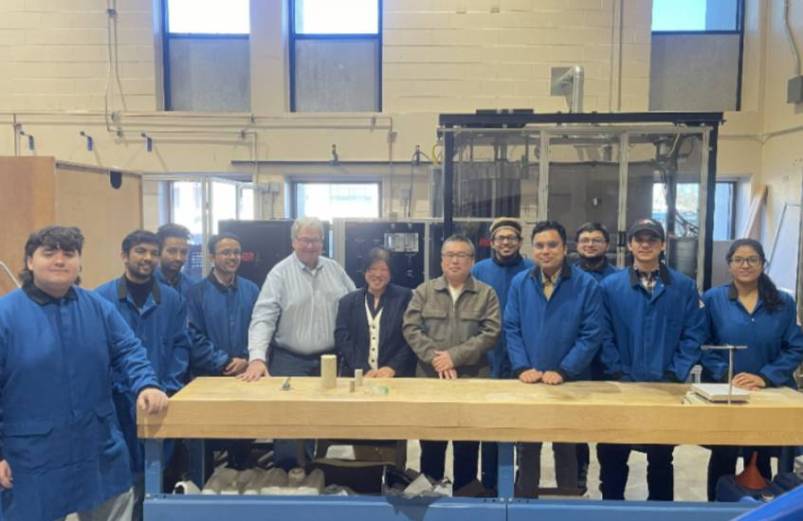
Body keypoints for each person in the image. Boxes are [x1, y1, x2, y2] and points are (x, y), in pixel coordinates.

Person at [0, 226, 167, 521]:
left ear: (79, 262)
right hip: (31, 453)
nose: (60, 261)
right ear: (29, 262)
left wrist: (147, 385)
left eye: (69, 254)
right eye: (49, 253)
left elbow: (129, 350)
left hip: (96, 445)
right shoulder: (6, 314)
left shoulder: (96, 307)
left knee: (115, 507)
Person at [597, 218, 706, 501]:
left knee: (661, 459)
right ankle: (611, 511)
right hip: (621, 386)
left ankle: (660, 513)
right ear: (631, 245)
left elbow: (693, 333)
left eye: (652, 240)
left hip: (665, 386)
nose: (645, 245)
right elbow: (602, 332)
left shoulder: (683, 286)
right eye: (639, 239)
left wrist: (675, 373)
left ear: (662, 245)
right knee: (612, 456)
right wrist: (617, 372)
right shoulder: (610, 286)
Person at [95, 230, 196, 520]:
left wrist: (169, 386)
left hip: (160, 398)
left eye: (153, 252)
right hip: (116, 401)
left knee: (156, 468)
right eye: (141, 251)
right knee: (120, 471)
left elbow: (181, 345)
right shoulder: (101, 299)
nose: (148, 258)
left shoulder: (172, 299)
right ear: (124, 255)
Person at [241, 216, 355, 470]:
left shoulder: (335, 270)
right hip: (289, 359)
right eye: (305, 240)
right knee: (289, 422)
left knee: (320, 420)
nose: (310, 246)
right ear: (294, 242)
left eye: (315, 240)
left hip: (329, 359)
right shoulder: (279, 274)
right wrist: (257, 358)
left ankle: (316, 475)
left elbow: (355, 306)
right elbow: (263, 317)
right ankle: (286, 476)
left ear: (322, 242)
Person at [505, 220, 602, 497]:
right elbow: (511, 327)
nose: (545, 251)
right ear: (532, 249)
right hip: (530, 380)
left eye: (552, 245)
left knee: (566, 446)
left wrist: (564, 370)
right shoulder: (520, 283)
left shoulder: (586, 285)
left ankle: (566, 505)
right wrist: (522, 366)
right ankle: (524, 504)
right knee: (526, 447)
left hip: (569, 382)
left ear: (564, 248)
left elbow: (591, 334)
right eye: (539, 245)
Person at [701, 238, 803, 501]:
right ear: (730, 265)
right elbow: (703, 345)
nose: (745, 265)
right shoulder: (713, 299)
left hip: (769, 394)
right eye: (738, 260)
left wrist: (764, 377)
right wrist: (727, 374)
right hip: (726, 394)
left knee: (760, 457)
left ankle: (762, 511)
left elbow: (795, 347)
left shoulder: (783, 302)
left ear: (762, 264)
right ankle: (717, 509)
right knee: (723, 455)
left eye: (752, 260)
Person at [403, 234, 501, 494]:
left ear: (472, 261)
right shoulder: (424, 291)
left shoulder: (486, 294)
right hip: (430, 381)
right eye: (450, 255)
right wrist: (438, 359)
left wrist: (454, 357)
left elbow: (491, 332)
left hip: (471, 381)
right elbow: (411, 328)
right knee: (431, 445)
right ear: (442, 260)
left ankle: (464, 499)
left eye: (462, 256)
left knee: (467, 447)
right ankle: (431, 499)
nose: (455, 261)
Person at [187, 233, 261, 469]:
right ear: (211, 256)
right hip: (209, 378)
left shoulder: (251, 290)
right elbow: (192, 335)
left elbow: (261, 328)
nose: (232, 257)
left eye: (236, 252)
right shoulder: (195, 293)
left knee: (243, 440)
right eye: (226, 252)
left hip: (245, 377)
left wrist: (247, 359)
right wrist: (224, 361)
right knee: (207, 440)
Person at [470, 217, 534, 493]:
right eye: (500, 238)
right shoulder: (479, 270)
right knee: (490, 423)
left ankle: (523, 484)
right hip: (489, 356)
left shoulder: (533, 269)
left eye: (511, 238)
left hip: (525, 355)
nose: (506, 242)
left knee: (525, 425)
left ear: (520, 242)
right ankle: (490, 483)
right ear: (492, 242)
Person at [573, 221, 619, 491]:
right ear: (577, 246)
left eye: (596, 240)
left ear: (606, 245)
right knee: (577, 425)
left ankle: (609, 482)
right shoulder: (567, 276)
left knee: (607, 425)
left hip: (606, 363)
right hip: (577, 361)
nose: (590, 244)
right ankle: (579, 473)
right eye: (585, 240)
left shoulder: (617, 279)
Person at [335, 247, 415, 378]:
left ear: (390, 273)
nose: (377, 274)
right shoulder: (347, 302)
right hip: (357, 376)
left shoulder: (405, 297)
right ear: (365, 271)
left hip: (395, 376)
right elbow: (342, 339)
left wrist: (393, 367)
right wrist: (363, 369)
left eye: (383, 269)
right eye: (372, 269)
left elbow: (411, 337)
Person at [155, 223, 197, 298]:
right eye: (172, 251)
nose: (178, 258)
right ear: (158, 252)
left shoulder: (193, 287)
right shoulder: (144, 284)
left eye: (183, 252)